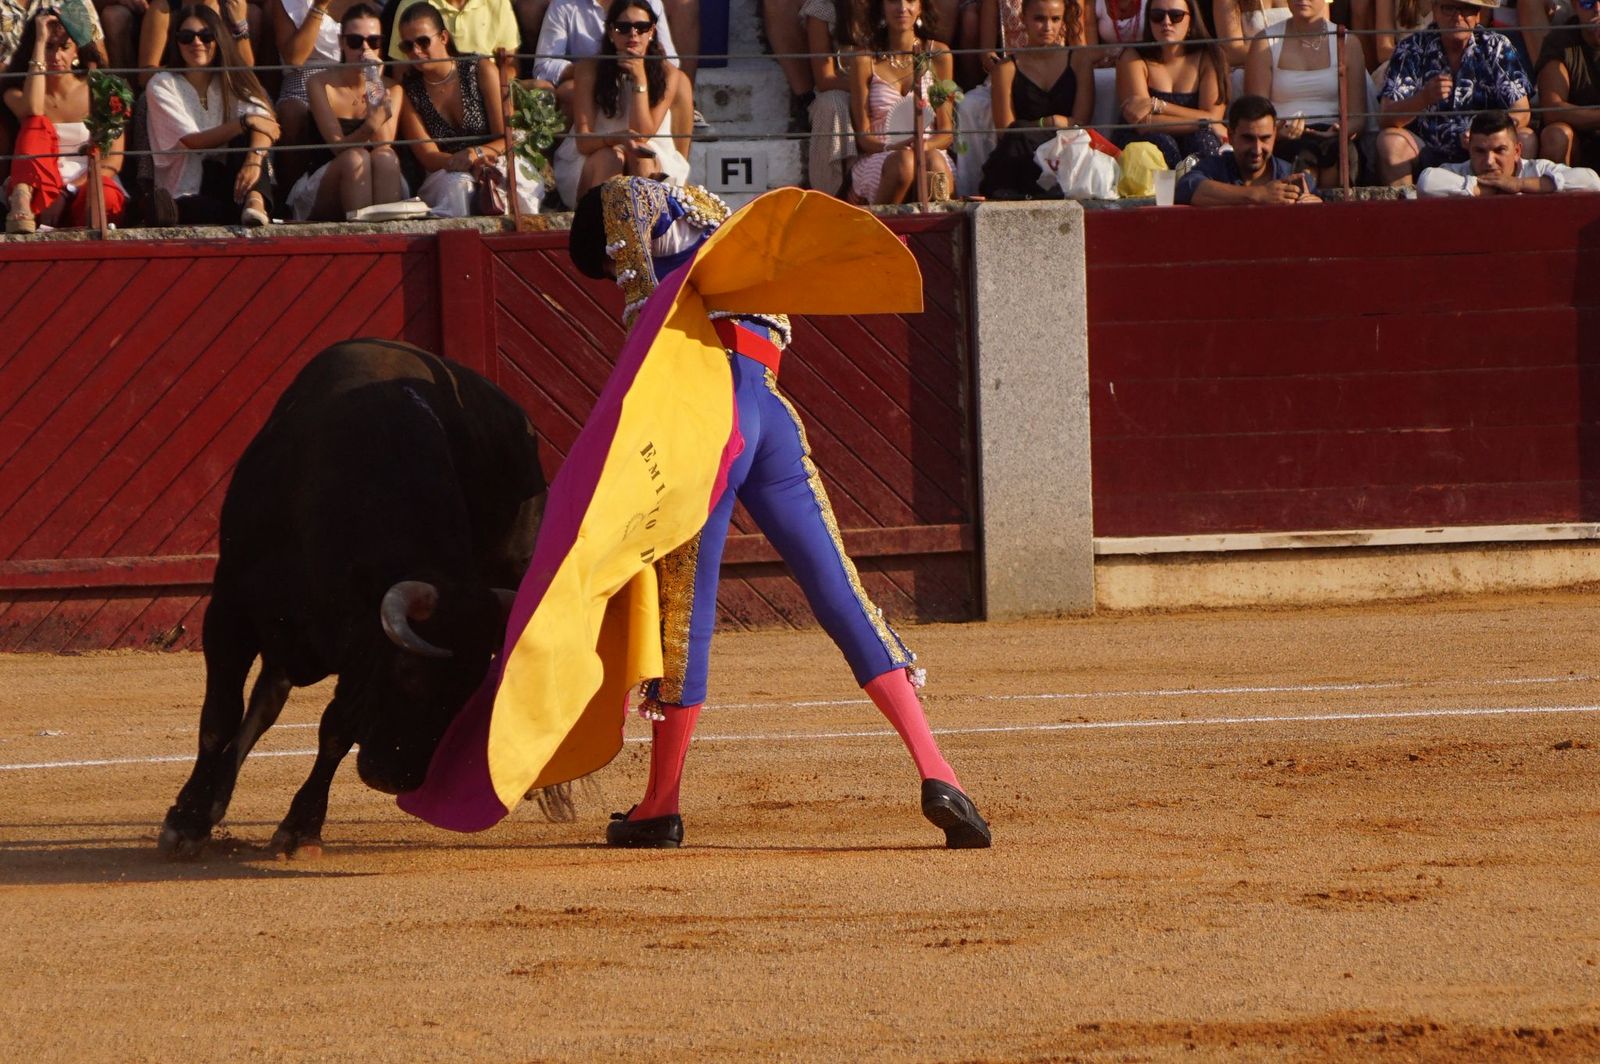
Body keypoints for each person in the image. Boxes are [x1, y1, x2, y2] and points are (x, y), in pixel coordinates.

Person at [565, 176, 992, 850]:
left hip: (710, 414)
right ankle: (941, 774)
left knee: (686, 613)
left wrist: (637, 298)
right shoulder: (719, 220)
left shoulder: (629, 201)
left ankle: (660, 804)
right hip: (770, 411)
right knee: (842, 593)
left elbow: (635, 243)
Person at [395, 1, 543, 214]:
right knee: (459, 188)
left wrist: (477, 154)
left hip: (495, 156)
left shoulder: (480, 69)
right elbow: (428, 155)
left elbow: (507, 135)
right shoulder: (410, 91)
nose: (416, 51)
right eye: (407, 46)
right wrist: (464, 162)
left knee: (512, 181)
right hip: (445, 169)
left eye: (423, 42)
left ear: (443, 38)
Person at [1375, 0, 1533, 186]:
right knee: (1390, 141)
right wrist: (1423, 98)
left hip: (1485, 148)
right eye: (1449, 7)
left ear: (1478, 14)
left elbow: (1522, 111)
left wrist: (1482, 134)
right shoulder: (1411, 47)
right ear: (1435, 10)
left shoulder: (1497, 46)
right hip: (1426, 147)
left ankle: (1509, 206)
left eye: (1466, 9)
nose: (1457, 16)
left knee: (1524, 138)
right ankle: (1406, 212)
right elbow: (1386, 117)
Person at [550, 0, 691, 208]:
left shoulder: (669, 73)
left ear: (651, 32)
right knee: (611, 158)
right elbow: (584, 141)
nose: (633, 34)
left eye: (641, 28)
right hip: (594, 156)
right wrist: (617, 138)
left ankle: (644, 232)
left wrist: (639, 79)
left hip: (651, 153)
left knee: (641, 156)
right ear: (610, 32)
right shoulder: (589, 69)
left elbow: (642, 133)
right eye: (623, 28)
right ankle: (604, 231)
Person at [144, 3, 276, 224]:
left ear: (219, 40)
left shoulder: (230, 79)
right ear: (176, 43)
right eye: (187, 37)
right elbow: (194, 142)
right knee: (206, 210)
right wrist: (245, 121)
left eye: (206, 36)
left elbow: (267, 123)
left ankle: (255, 202)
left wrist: (254, 158)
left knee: (250, 136)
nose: (197, 42)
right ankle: (246, 209)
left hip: (231, 180)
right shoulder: (162, 84)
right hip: (186, 190)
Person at [3, 9, 125, 232]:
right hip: (38, 188)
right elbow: (34, 108)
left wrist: (67, 191)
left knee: (105, 193)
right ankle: (23, 199)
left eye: (64, 47)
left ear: (77, 49)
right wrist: (39, 41)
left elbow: (113, 162)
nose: (56, 56)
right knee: (35, 122)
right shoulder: (15, 92)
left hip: (88, 186)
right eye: (48, 47)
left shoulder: (103, 90)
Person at [284, 2, 406, 219]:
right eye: (355, 41)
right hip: (328, 178)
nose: (365, 50)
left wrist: (374, 83)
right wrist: (370, 124)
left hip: (378, 177)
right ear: (342, 43)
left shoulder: (392, 88)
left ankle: (386, 244)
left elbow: (383, 141)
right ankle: (362, 241)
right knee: (355, 158)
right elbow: (338, 148)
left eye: (373, 41)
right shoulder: (319, 83)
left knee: (385, 157)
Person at [1243, 0, 1365, 188]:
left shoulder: (1348, 42)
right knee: (1304, 169)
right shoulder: (1264, 42)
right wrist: (1277, 132)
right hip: (1284, 138)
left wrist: (1340, 130)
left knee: (1340, 161)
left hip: (1332, 136)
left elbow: (1358, 116)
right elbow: (1255, 114)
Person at [979, 0, 1094, 197]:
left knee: (1020, 134)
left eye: (1055, 19)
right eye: (1039, 19)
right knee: (1017, 135)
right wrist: (1051, 122)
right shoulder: (1006, 68)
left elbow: (1081, 123)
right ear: (1023, 19)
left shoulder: (1079, 60)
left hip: (1067, 152)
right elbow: (1006, 131)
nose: (1048, 27)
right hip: (1023, 155)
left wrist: (1039, 126)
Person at [847, 0, 956, 203]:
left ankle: (938, 232)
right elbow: (863, 137)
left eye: (911, 1)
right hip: (881, 154)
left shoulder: (939, 54)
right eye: (893, 1)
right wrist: (894, 148)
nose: (902, 7)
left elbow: (946, 133)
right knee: (904, 164)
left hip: (930, 149)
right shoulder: (864, 58)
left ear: (921, 7)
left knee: (935, 164)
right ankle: (884, 232)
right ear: (881, 7)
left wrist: (921, 147)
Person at [1114, 0, 1227, 167]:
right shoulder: (1132, 57)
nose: (1166, 22)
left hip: (1193, 136)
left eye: (1176, 16)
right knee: (1162, 144)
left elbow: (1214, 116)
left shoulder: (1209, 55)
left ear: (1191, 20)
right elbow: (1142, 123)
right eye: (1157, 16)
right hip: (1144, 140)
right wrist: (1202, 123)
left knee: (1204, 142)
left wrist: (1159, 106)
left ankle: (1203, 190)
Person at [529, 0, 676, 114]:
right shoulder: (563, 5)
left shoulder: (651, 2)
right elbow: (544, 66)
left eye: (641, 27)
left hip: (642, 80)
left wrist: (637, 70)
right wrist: (597, 69)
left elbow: (671, 61)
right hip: (593, 84)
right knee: (569, 90)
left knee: (679, 84)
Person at [1176, 91, 1322, 201]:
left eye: (1265, 138)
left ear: (1275, 134)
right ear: (1231, 136)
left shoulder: (1293, 176)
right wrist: (1259, 195)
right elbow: (1188, 187)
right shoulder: (1214, 169)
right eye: (1248, 138)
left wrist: (1316, 207)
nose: (1257, 149)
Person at [1419, 106, 1600, 193]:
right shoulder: (1456, 173)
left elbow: (1592, 181)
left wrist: (1519, 184)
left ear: (1517, 151)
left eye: (1500, 150)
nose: (1489, 161)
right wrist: (1490, 189)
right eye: (1480, 151)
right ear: (1469, 150)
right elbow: (1427, 182)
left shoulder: (1537, 170)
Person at [800, 0, 868, 194]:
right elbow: (825, 80)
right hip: (844, 90)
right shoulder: (823, 9)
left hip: (885, 89)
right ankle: (830, 195)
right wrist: (865, 88)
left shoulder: (894, 6)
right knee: (832, 103)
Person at [1536, 0, 1600, 169]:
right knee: (1556, 135)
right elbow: (1552, 110)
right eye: (1588, 3)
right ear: (1574, 5)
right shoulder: (1560, 41)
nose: (1597, 9)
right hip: (1578, 141)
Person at [135, 0, 255, 84]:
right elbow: (145, 76)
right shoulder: (163, 8)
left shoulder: (232, 6)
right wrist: (190, 69)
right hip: (176, 87)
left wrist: (240, 24)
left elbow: (246, 71)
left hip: (222, 87)